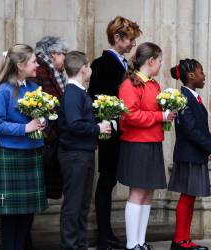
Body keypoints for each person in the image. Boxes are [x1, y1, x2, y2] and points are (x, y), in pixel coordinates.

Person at [87, 16, 142, 250]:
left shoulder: (124, 63)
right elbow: (97, 99)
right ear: (117, 38)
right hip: (110, 133)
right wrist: (106, 126)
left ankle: (107, 234)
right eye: (130, 39)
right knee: (106, 181)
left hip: (122, 132)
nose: (132, 44)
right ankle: (104, 235)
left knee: (109, 181)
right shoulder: (102, 63)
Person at [118, 42, 176, 250]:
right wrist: (161, 115)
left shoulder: (153, 84)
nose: (160, 65)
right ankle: (132, 244)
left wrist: (169, 110)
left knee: (148, 193)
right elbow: (130, 115)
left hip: (152, 141)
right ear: (150, 61)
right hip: (137, 144)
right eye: (159, 61)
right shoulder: (130, 85)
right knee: (137, 192)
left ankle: (140, 242)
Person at [0, 44, 48, 250]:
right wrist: (25, 128)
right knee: (10, 214)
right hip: (11, 155)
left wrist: (42, 122)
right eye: (33, 61)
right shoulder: (2, 91)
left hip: (33, 154)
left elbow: (44, 116)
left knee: (27, 211)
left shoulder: (34, 88)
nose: (37, 65)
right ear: (20, 65)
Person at [57, 51, 112, 250]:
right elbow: (74, 124)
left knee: (82, 204)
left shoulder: (80, 92)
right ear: (83, 69)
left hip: (83, 153)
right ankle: (70, 245)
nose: (91, 70)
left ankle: (80, 243)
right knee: (73, 204)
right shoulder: (72, 93)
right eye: (89, 66)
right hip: (74, 155)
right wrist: (97, 128)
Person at [168, 59, 211, 250]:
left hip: (194, 154)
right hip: (188, 154)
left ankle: (185, 239)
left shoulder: (192, 97)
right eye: (201, 72)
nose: (204, 76)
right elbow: (190, 129)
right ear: (191, 76)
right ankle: (179, 240)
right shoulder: (183, 98)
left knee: (190, 198)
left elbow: (200, 127)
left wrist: (209, 147)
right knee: (187, 197)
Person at [31, 36, 69, 199]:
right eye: (64, 54)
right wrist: (52, 135)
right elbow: (33, 106)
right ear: (53, 54)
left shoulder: (52, 72)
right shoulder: (39, 71)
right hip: (44, 141)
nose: (65, 58)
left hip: (50, 140)